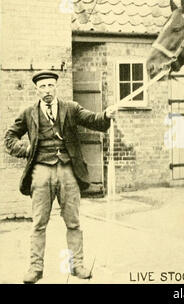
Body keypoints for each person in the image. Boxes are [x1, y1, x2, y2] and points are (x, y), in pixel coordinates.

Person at [4, 70, 116, 283]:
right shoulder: (28, 112)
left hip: (67, 170)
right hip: (40, 172)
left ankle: (77, 265)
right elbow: (9, 137)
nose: (47, 90)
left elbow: (93, 120)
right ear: (36, 89)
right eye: (42, 86)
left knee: (73, 222)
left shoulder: (71, 108)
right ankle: (35, 269)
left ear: (56, 87)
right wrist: (26, 149)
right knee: (38, 223)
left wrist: (106, 115)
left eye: (50, 86)